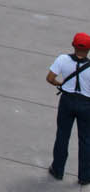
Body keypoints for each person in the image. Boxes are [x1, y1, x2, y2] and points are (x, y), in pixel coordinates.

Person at [47, 31, 90, 184]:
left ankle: (58, 170)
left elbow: (50, 78)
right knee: (86, 140)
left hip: (67, 101)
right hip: (86, 104)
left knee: (62, 136)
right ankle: (85, 177)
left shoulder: (63, 59)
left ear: (73, 45)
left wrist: (61, 85)